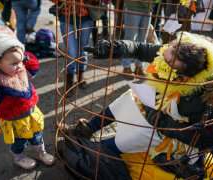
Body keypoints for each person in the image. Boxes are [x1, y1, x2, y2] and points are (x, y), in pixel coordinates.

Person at [63, 32, 213, 179]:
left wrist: (165, 123)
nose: (155, 65)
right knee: (128, 98)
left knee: (134, 136)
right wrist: (116, 48)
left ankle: (91, 150)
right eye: (161, 58)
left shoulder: (204, 99)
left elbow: (204, 140)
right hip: (160, 110)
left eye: (164, 67)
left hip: (177, 138)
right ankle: (86, 130)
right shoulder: (174, 55)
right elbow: (140, 49)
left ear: (183, 79)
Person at [0, 32, 55, 169]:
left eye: (20, 61)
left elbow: (33, 67)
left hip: (32, 113)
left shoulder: (21, 71)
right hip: (15, 120)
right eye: (14, 63)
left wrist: (23, 57)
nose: (19, 66)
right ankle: (19, 157)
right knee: (21, 141)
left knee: (37, 134)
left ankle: (40, 152)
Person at [49, 0, 98, 97]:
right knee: (71, 52)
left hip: (86, 18)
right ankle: (69, 82)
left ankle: (80, 77)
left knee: (83, 49)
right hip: (66, 18)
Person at [122, 0, 153, 79]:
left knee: (143, 40)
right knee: (129, 39)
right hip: (133, 7)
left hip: (148, 8)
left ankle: (139, 66)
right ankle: (126, 67)